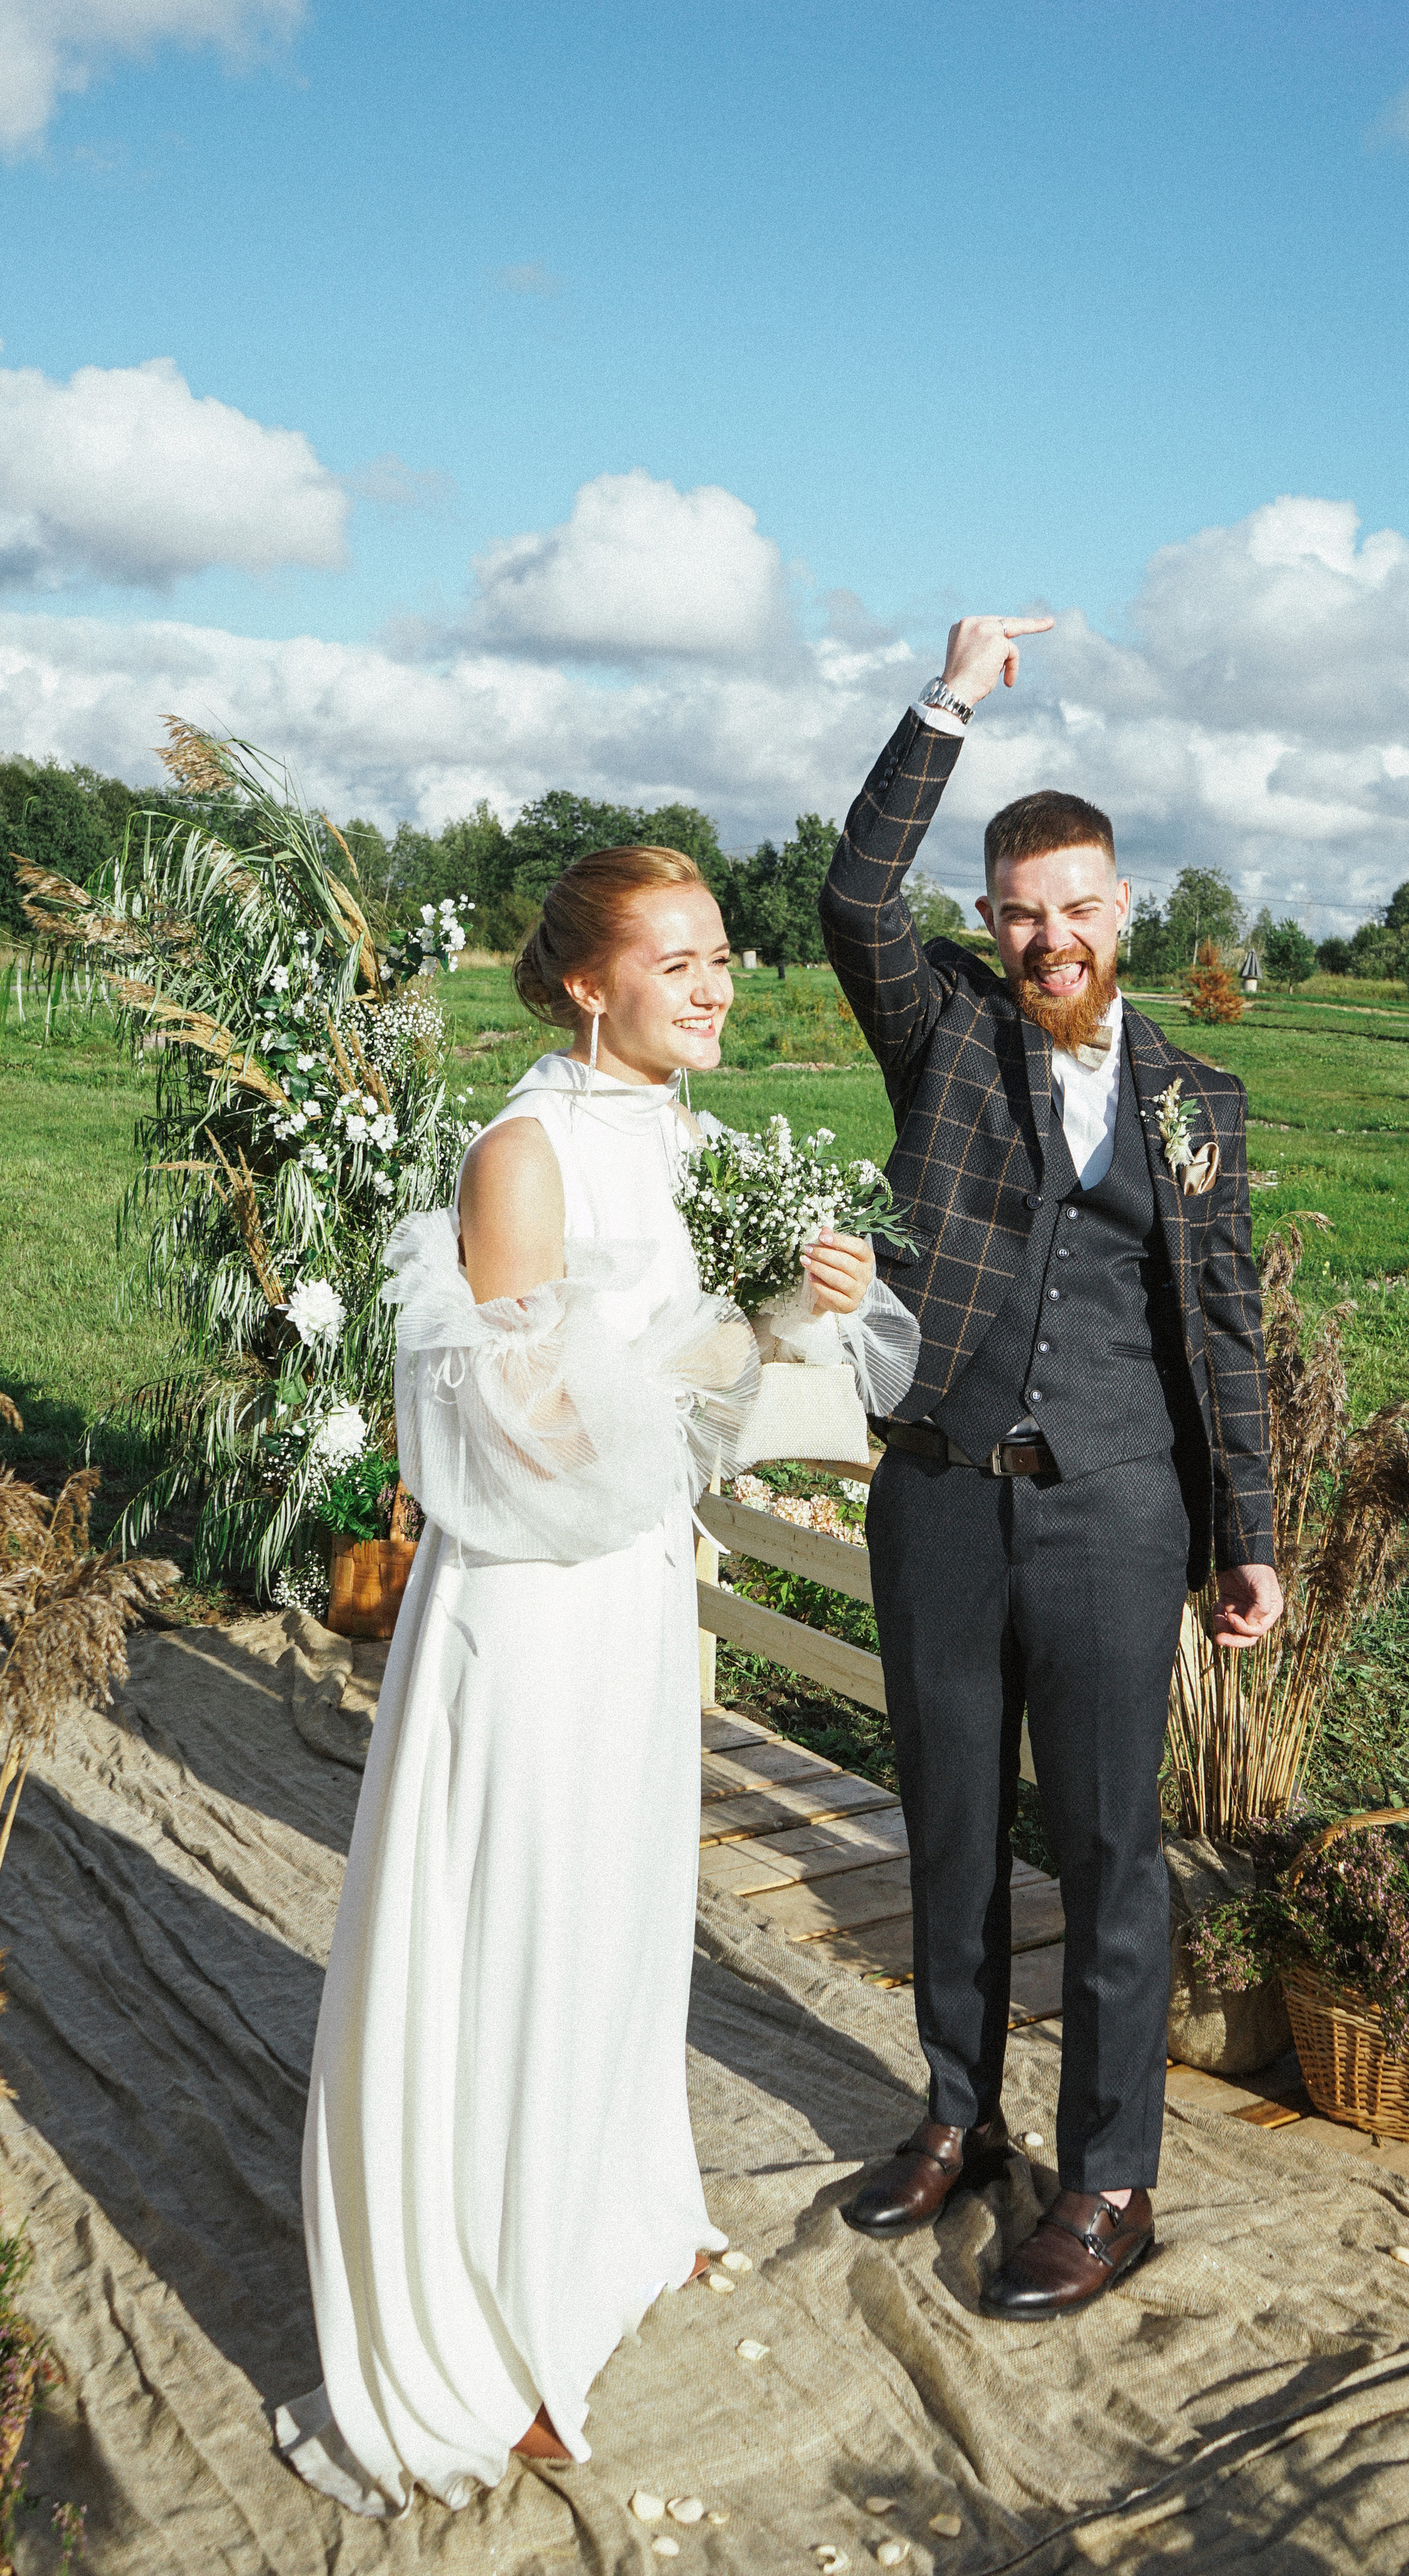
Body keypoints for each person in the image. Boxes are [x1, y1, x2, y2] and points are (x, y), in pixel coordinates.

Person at [277, 844, 895, 2514]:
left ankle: (613, 2216)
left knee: (622, 1913)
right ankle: (496, 2330)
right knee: (524, 1928)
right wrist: (739, 1331)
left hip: (629, 1592)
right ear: (583, 982)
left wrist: (788, 1316)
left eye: (721, 962)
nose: (715, 987)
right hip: (534, 1606)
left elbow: (679, 1406)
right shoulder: (525, 1157)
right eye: (679, 961)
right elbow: (527, 1445)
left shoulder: (677, 1136)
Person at [821, 617, 1284, 2319]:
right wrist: (945, 704)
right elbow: (852, 900)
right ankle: (956, 2111)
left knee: (1105, 1848)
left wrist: (1246, 1534)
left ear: (1120, 914)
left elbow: (1219, 1329)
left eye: (1076, 905)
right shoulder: (942, 1033)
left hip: (1113, 1507)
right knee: (944, 1818)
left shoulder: (1200, 1100)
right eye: (1019, 909)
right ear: (992, 922)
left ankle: (1108, 2179)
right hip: (938, 1491)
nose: (1048, 935)